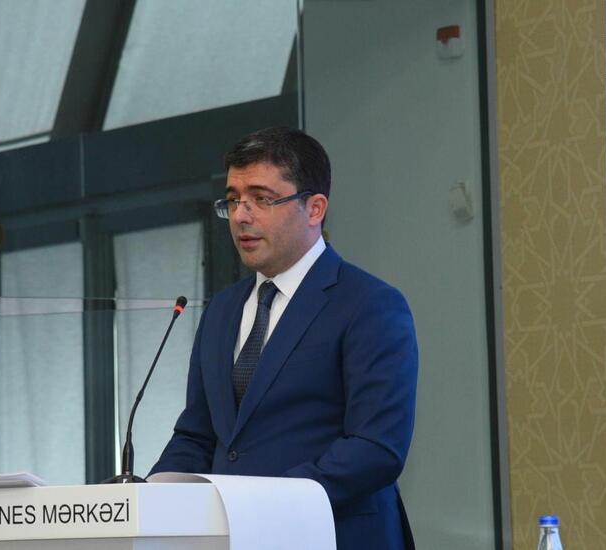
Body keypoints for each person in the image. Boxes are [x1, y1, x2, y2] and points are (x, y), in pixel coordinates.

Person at [150, 127, 418, 549]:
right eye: (233, 199)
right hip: (236, 538)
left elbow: (375, 447)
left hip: (335, 535)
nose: (241, 216)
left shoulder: (369, 304)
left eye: (261, 199)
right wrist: (147, 499)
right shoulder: (221, 310)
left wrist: (267, 502)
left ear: (315, 208)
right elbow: (198, 435)